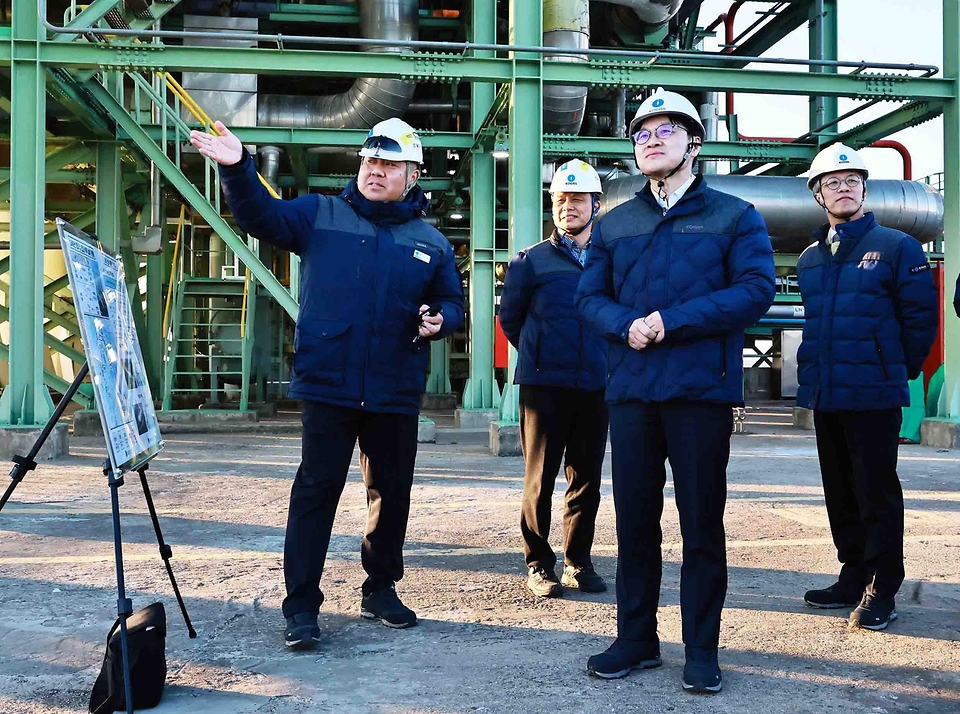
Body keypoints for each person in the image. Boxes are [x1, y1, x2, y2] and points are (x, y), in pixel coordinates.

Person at [190, 117, 464, 649]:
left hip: (393, 388)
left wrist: (442, 320)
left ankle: (380, 588)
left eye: (388, 165)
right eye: (369, 162)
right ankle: (301, 607)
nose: (375, 171)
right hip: (328, 385)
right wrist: (238, 167)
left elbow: (453, 302)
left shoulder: (430, 242)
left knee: (392, 493)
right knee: (316, 491)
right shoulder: (321, 215)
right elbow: (260, 216)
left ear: (412, 174)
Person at [575, 88, 775, 693]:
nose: (651, 141)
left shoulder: (734, 216)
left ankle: (702, 648)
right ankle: (636, 638)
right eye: (641, 133)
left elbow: (755, 289)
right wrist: (622, 324)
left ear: (695, 142)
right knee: (635, 520)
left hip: (698, 393)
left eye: (666, 130)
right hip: (632, 392)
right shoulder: (616, 223)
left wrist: (672, 320)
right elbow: (588, 297)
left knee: (700, 522)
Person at [796, 143, 937, 630]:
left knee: (875, 489)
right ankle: (852, 572)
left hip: (874, 392)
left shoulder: (898, 247)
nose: (843, 188)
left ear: (864, 188)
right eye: (832, 182)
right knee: (838, 488)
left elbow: (920, 319)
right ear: (818, 195)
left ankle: (882, 585)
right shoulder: (812, 259)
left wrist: (893, 369)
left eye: (852, 180)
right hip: (827, 391)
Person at [499, 160, 609, 599]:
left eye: (577, 199)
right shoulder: (530, 261)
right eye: (561, 199)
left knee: (587, 478)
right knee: (540, 478)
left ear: (595, 205)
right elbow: (511, 319)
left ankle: (577, 562)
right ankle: (539, 563)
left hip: (596, 384)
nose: (568, 206)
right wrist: (540, 352)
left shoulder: (609, 260)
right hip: (544, 386)